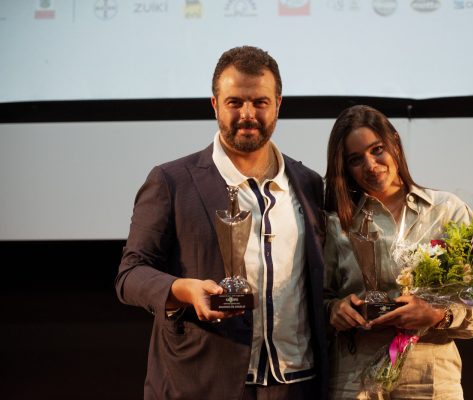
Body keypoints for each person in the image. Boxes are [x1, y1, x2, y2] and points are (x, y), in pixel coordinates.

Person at [115, 46, 328, 400]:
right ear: (215, 104)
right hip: (203, 383)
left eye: (260, 102)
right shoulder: (171, 181)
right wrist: (182, 289)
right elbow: (130, 274)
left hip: (297, 383)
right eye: (235, 102)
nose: (247, 113)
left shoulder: (307, 183)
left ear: (278, 104)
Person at [323, 105, 473, 399]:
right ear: (344, 167)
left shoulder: (445, 211)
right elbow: (317, 299)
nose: (371, 165)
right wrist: (334, 309)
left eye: (377, 150)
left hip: (430, 372)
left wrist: (437, 315)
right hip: (354, 374)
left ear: (395, 143)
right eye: (355, 159)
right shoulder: (336, 222)